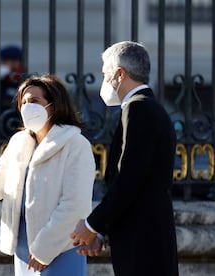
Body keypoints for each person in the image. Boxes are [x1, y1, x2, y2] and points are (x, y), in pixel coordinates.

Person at [0, 74, 96, 275]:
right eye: (23, 102)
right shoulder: (19, 143)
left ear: (54, 105)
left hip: (61, 249)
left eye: (34, 101)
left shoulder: (76, 145)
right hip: (23, 250)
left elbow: (75, 205)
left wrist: (44, 251)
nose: (27, 107)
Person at [70, 41, 179, 275]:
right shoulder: (148, 107)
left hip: (143, 243)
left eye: (105, 74)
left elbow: (130, 179)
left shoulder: (138, 109)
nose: (104, 81)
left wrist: (92, 226)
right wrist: (101, 231)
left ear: (119, 74)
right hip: (146, 237)